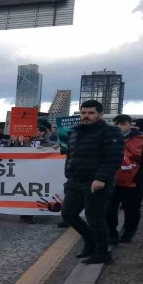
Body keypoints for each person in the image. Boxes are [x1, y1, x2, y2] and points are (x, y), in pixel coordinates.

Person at [60, 100, 125, 265]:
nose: (86, 116)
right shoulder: (75, 132)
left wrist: (101, 178)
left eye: (90, 113)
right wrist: (68, 171)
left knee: (95, 218)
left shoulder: (111, 132)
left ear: (100, 114)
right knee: (68, 214)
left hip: (96, 182)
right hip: (75, 181)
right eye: (83, 113)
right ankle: (90, 243)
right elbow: (70, 154)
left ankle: (102, 253)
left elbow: (113, 158)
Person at [106, 115, 143, 245]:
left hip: (133, 181)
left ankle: (129, 231)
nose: (119, 127)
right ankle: (111, 233)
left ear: (130, 124)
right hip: (112, 180)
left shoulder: (142, 139)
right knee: (109, 208)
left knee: (132, 208)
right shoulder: (107, 139)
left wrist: (140, 177)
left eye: (123, 124)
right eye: (116, 124)